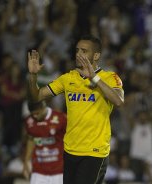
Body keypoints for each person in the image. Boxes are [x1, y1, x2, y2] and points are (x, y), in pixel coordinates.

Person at [27, 35, 124, 184]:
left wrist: (94, 78)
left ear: (96, 55)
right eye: (77, 50)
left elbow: (118, 100)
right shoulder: (68, 78)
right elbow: (37, 97)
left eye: (84, 51)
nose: (79, 54)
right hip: (70, 149)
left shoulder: (110, 77)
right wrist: (33, 76)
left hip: (94, 151)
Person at [22, 101, 66, 184]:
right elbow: (31, 139)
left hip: (58, 172)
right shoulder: (29, 121)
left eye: (37, 113)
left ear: (43, 107)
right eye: (33, 114)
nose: (35, 116)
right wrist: (26, 160)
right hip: (38, 172)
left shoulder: (60, 118)